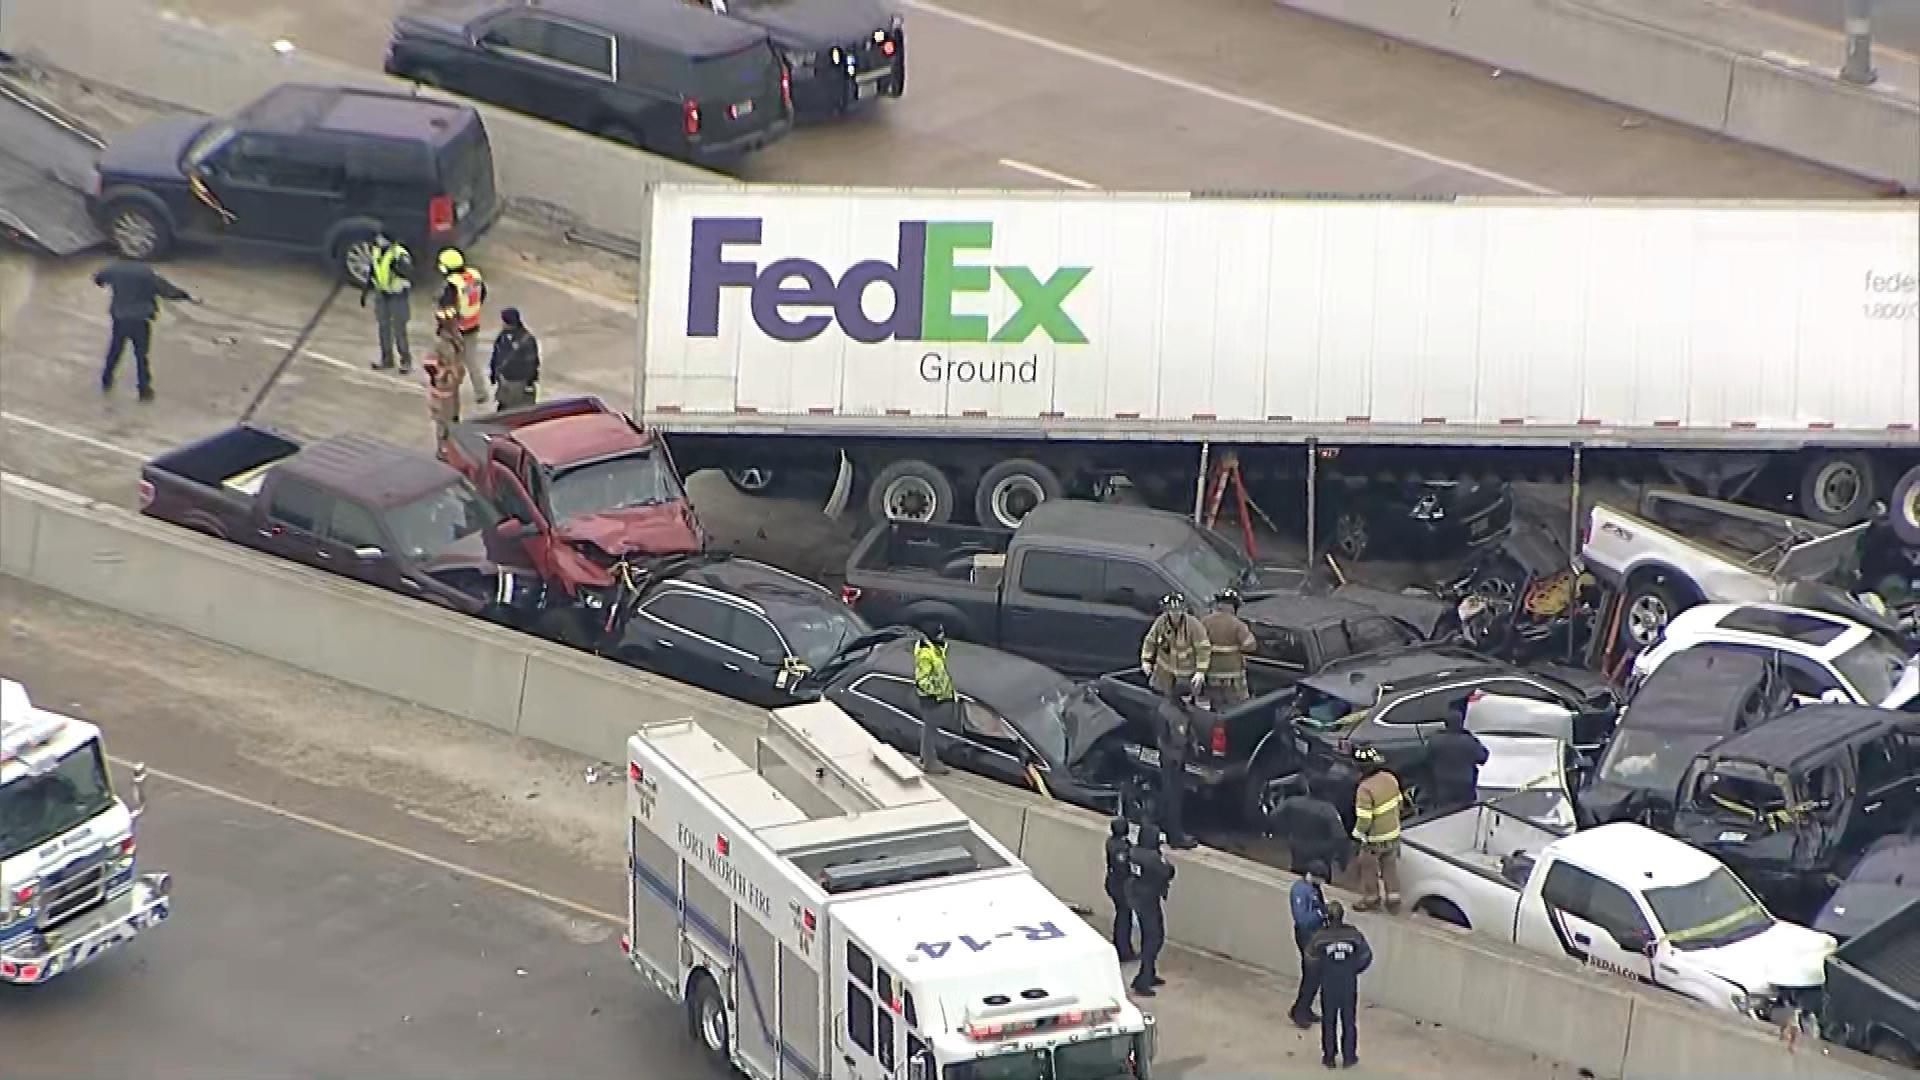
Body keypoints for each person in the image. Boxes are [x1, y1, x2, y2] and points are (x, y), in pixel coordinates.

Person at [94, 258, 195, 402]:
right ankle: (144, 389)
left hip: (120, 318)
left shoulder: (113, 268)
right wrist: (185, 295)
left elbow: (99, 279)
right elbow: (166, 290)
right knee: (141, 356)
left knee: (115, 351)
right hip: (140, 320)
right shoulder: (146, 273)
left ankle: (106, 381)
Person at [1307, 900, 1373, 1068]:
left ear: (1327, 918)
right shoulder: (1353, 935)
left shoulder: (1320, 936)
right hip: (1348, 983)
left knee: (1329, 1020)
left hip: (1329, 983)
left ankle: (1329, 1057)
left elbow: (1310, 957)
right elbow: (1366, 955)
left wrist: (1321, 971)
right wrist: (1353, 969)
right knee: (1349, 1020)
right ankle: (1349, 1057)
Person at [1350, 746, 1403, 914]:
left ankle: (1372, 898)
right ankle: (1393, 898)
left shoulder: (1364, 789)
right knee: (1389, 867)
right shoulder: (1390, 778)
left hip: (1375, 840)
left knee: (1367, 866)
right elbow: (1400, 803)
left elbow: (1365, 819)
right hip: (1393, 834)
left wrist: (1357, 833)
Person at [435, 248, 489, 405]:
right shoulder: (474, 276)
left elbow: (447, 309)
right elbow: (482, 294)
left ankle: (450, 389)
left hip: (455, 328)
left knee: (449, 360)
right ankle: (481, 392)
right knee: (471, 360)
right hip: (473, 324)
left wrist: (442, 326)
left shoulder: (452, 284)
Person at [1126, 824, 1174, 997]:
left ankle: (1149, 973)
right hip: (1148, 900)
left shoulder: (1134, 852)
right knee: (1154, 938)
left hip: (1138, 895)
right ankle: (1143, 979)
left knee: (1150, 936)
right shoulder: (1153, 857)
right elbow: (1167, 872)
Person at [1149, 691, 1199, 849]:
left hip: (1172, 757)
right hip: (1173, 760)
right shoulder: (1172, 714)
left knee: (1170, 796)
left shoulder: (1170, 709)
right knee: (1173, 799)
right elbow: (1172, 738)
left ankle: (1166, 832)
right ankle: (1176, 837)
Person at [361, 227, 414, 374]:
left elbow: (409, 272)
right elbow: (373, 271)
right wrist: (365, 292)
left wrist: (399, 268)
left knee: (399, 330)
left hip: (398, 295)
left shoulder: (399, 254)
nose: (379, 240)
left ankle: (406, 361)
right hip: (382, 294)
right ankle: (387, 359)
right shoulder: (377, 251)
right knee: (383, 328)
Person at [1140, 593, 1210, 699]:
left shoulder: (1193, 625)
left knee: (1184, 703)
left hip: (1185, 674)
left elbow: (1203, 648)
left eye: (1178, 610)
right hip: (1163, 672)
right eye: (1172, 611)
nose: (1175, 614)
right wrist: (1146, 660)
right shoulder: (1161, 622)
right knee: (1160, 699)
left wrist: (1200, 671)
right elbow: (1150, 641)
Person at [1199, 588, 1258, 710]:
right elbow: (1251, 645)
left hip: (1211, 676)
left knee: (1215, 706)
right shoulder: (1238, 624)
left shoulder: (1204, 622)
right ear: (1233, 606)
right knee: (1237, 708)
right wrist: (1236, 648)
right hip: (1233, 679)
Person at [1274, 783, 1349, 876]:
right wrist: (1343, 861)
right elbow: (1340, 837)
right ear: (1326, 791)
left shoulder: (1292, 802)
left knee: (1296, 874)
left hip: (1298, 847)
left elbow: (1274, 816)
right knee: (1319, 879)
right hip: (1321, 853)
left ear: (1308, 788)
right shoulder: (1328, 810)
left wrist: (1284, 831)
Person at [1288, 860, 1330, 1028]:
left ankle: (1305, 1008)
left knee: (1315, 976)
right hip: (1306, 936)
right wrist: (1320, 913)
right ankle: (1299, 1011)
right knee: (1311, 975)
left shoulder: (1313, 889)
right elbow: (1302, 919)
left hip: (1315, 936)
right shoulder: (1300, 891)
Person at [1427, 704, 1490, 812]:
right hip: (1465, 785)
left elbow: (1427, 758)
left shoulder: (1435, 740)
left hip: (1442, 784)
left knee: (1443, 814)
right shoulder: (1468, 741)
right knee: (1466, 813)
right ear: (1461, 722)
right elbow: (1483, 757)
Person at [912, 625, 954, 775]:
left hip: (936, 696)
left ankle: (925, 758)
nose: (943, 635)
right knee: (930, 730)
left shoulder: (934, 649)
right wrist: (936, 693)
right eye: (940, 632)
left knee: (928, 729)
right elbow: (922, 680)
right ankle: (930, 762)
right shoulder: (926, 653)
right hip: (930, 699)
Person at [423, 312, 466, 448]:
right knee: (443, 420)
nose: (458, 324)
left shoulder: (456, 338)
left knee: (453, 416)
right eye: (455, 322)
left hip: (453, 386)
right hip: (443, 389)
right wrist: (443, 375)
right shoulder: (439, 343)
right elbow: (429, 364)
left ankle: (452, 444)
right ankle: (443, 448)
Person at [489, 307, 540, 410]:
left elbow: (532, 362)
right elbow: (496, 355)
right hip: (505, 383)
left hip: (519, 383)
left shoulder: (526, 339)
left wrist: (529, 381)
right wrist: (494, 374)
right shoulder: (503, 336)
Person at [1104, 816, 1137, 963]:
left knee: (1121, 914)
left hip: (1113, 881)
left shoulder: (1111, 842)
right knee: (1124, 916)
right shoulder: (1121, 848)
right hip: (1120, 884)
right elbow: (1122, 867)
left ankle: (1120, 943)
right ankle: (1123, 949)